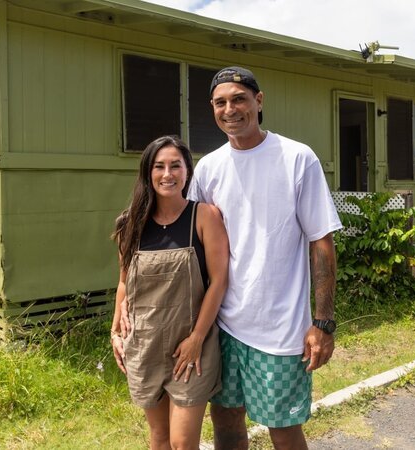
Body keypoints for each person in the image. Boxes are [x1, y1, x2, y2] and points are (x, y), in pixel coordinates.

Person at [190, 67, 343, 450]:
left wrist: (322, 322)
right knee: (225, 422)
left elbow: (321, 241)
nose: (230, 109)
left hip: (280, 329)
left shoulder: (296, 158)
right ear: (212, 108)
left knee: (283, 430)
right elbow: (193, 242)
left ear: (258, 102)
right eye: (220, 102)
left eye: (239, 99)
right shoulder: (209, 167)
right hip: (223, 325)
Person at [111, 135, 230, 450]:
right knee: (159, 438)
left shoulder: (203, 216)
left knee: (181, 443)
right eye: (159, 166)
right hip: (145, 343)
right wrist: (115, 330)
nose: (168, 174)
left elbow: (219, 281)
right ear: (148, 173)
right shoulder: (131, 224)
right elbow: (124, 282)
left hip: (190, 349)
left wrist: (197, 338)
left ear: (187, 171)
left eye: (175, 165)